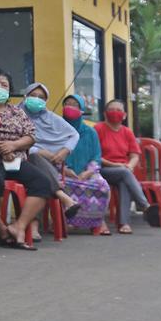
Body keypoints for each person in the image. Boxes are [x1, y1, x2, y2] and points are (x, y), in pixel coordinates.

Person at [0, 70, 58, 250]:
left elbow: (31, 136)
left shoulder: (17, 112)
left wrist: (14, 146)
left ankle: (19, 226)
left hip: (15, 159)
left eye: (4, 85)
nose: (0, 88)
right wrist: (1, 147)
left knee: (43, 182)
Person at [22, 83, 84, 239]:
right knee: (36, 161)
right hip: (18, 162)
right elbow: (12, 140)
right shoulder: (17, 115)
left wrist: (64, 151)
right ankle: (63, 196)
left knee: (39, 177)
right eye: (33, 95)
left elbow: (74, 135)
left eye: (41, 97)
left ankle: (34, 226)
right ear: (25, 96)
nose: (36, 99)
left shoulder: (50, 118)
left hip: (46, 166)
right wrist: (40, 151)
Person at [96, 99, 153, 234]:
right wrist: (118, 165)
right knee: (125, 173)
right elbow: (95, 156)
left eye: (119, 110)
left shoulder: (127, 132)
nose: (115, 112)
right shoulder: (98, 129)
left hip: (122, 171)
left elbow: (134, 155)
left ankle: (124, 224)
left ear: (125, 115)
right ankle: (144, 205)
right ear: (105, 113)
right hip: (102, 169)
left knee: (124, 181)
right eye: (112, 109)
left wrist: (130, 166)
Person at [60, 94, 112, 234]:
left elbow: (97, 156)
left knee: (102, 186)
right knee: (60, 185)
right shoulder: (58, 129)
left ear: (82, 110)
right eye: (67, 104)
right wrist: (64, 169)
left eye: (74, 105)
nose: (70, 107)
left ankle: (98, 222)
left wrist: (88, 172)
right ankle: (64, 221)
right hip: (63, 172)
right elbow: (52, 153)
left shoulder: (90, 132)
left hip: (87, 172)